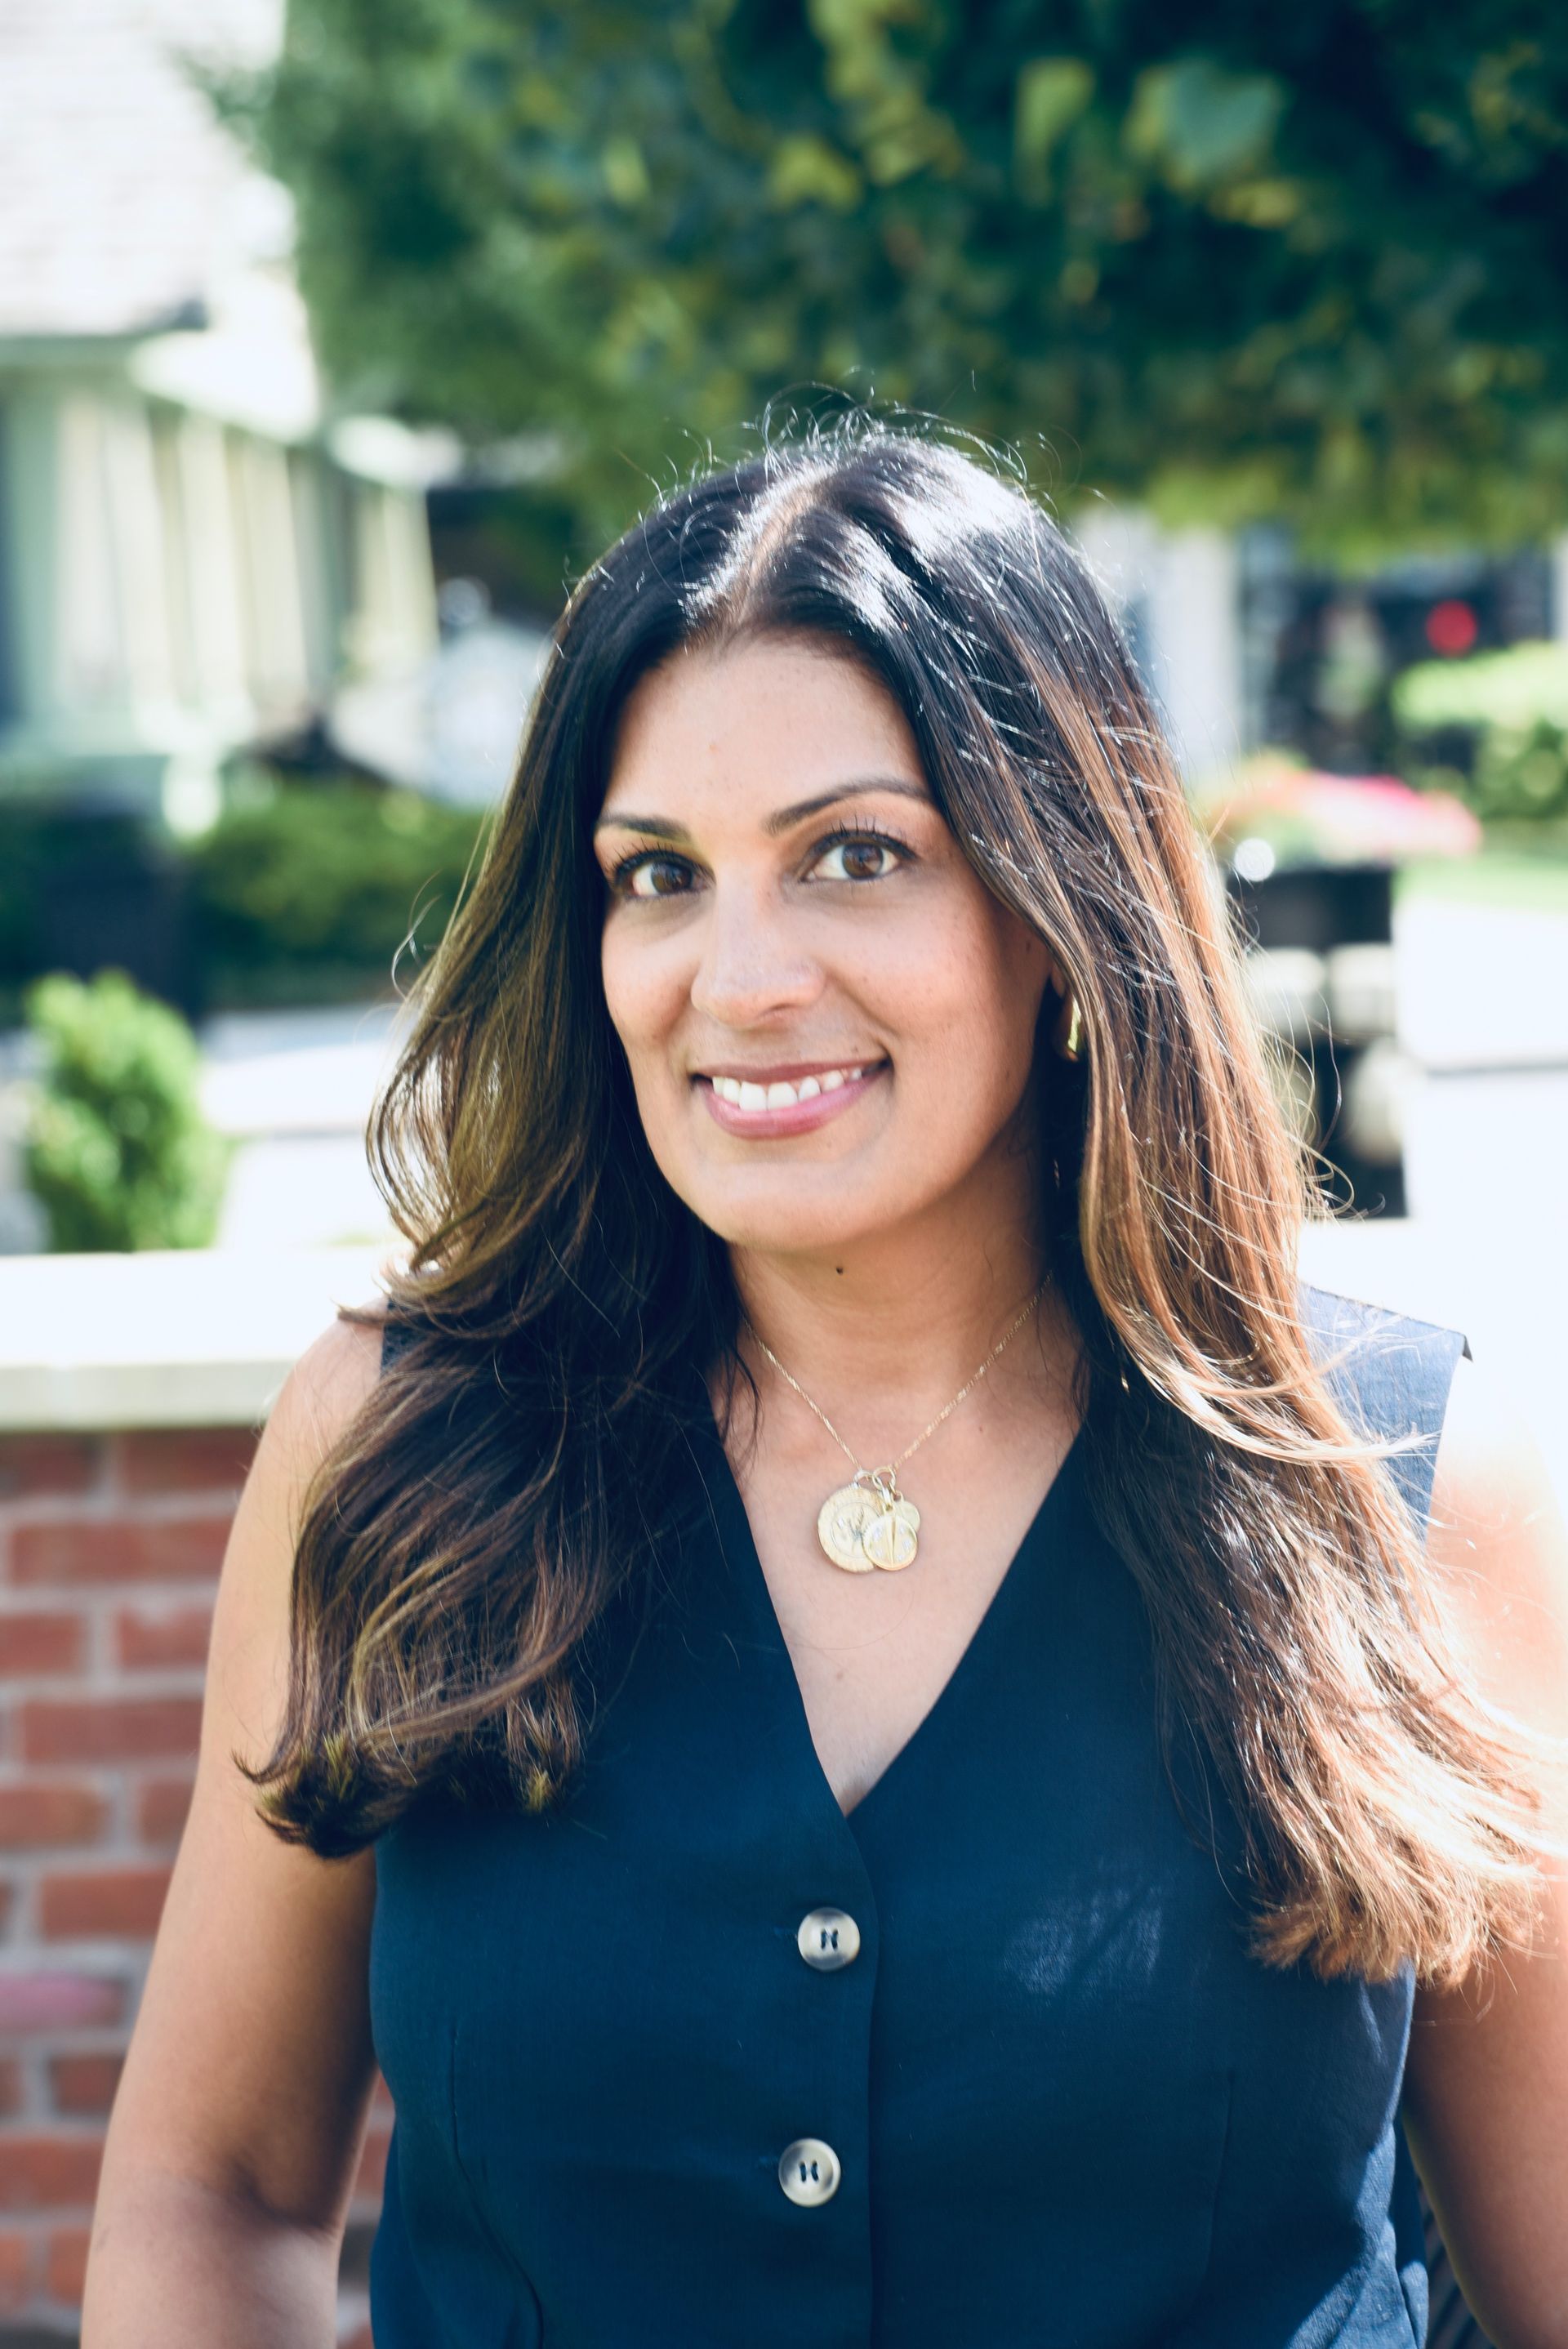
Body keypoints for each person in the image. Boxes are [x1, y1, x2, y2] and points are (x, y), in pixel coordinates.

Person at [82, 422, 1567, 2348]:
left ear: (1061, 911)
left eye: (855, 855)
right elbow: (215, 2192)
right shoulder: (395, 1450)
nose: (741, 970)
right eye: (659, 874)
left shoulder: (1413, 1487)